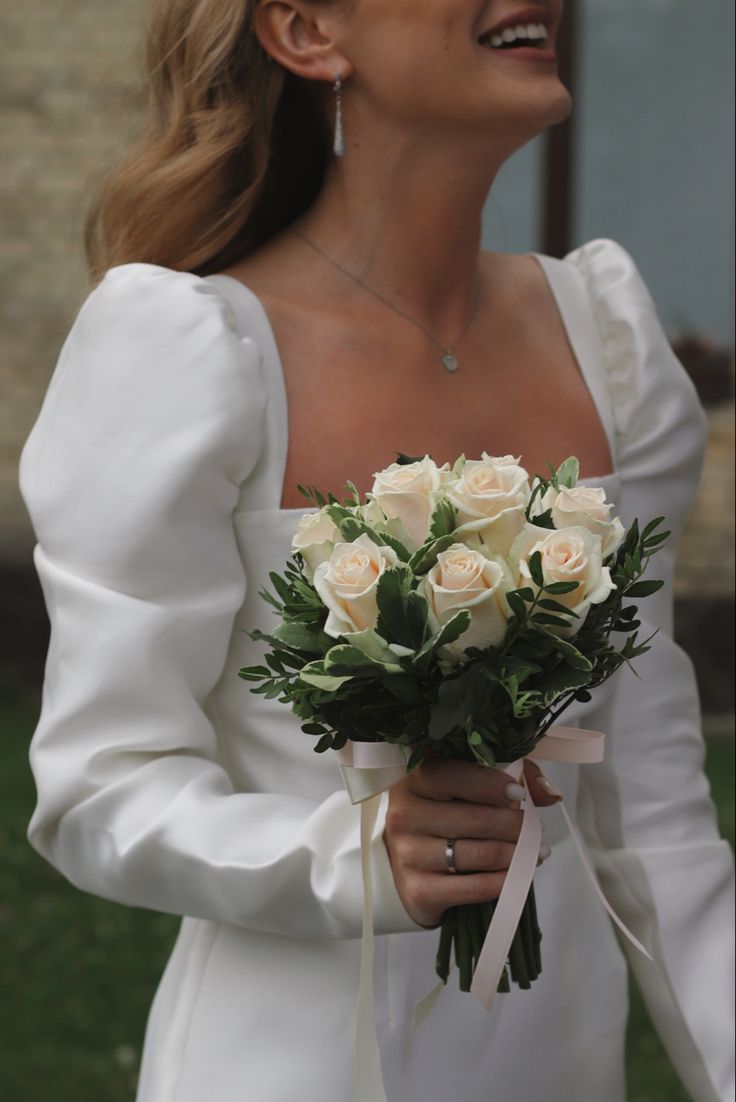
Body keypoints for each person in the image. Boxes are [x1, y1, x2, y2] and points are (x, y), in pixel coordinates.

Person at [20, 1, 734, 1100]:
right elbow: (102, 788)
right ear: (308, 32)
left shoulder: (608, 343)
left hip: (558, 1054)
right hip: (289, 1059)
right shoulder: (184, 350)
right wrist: (352, 857)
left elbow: (651, 806)